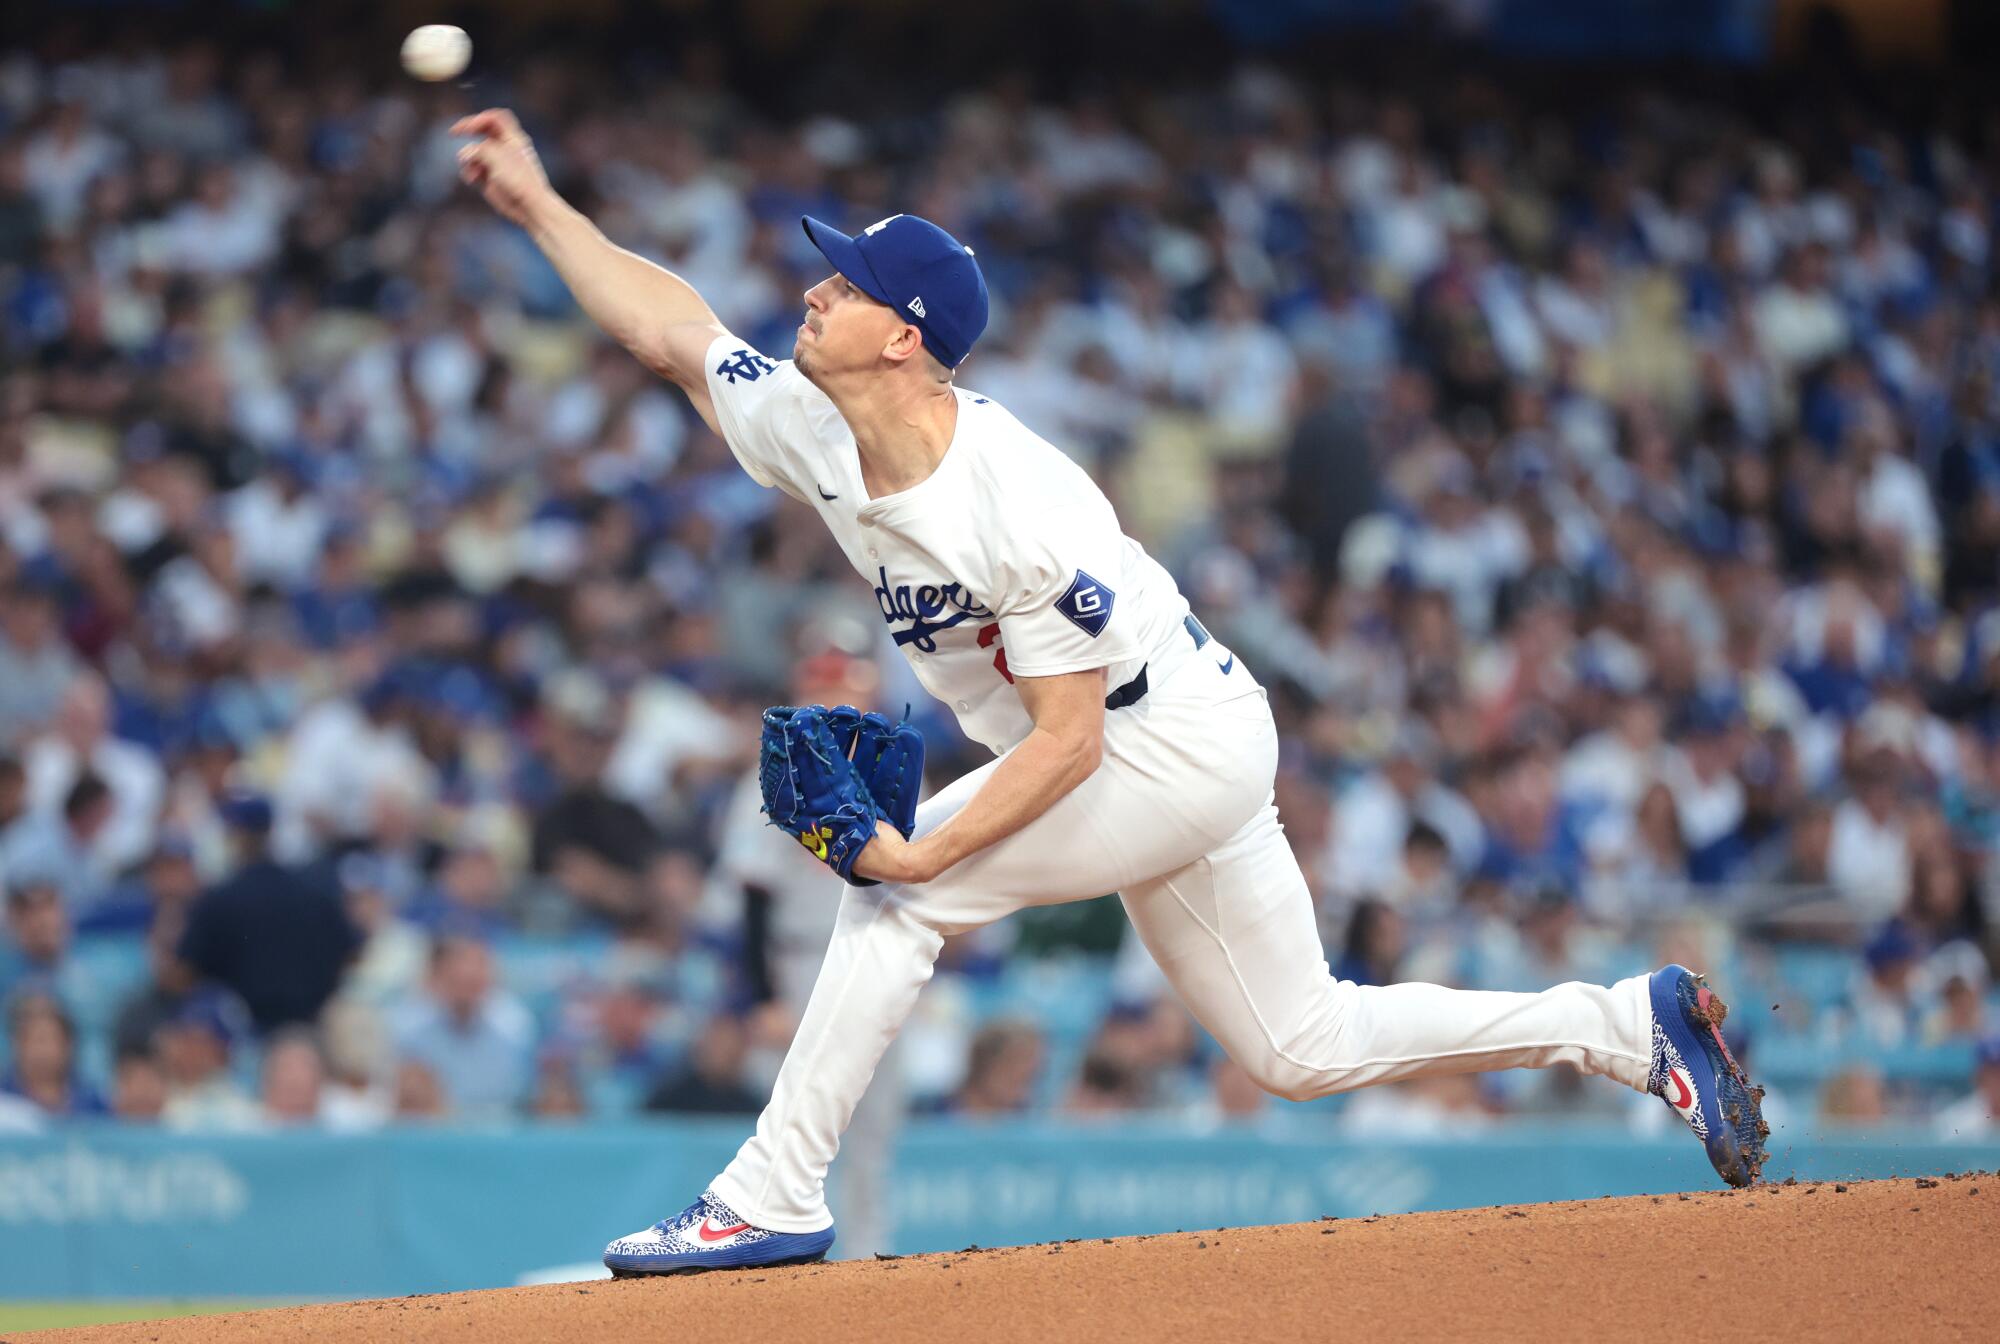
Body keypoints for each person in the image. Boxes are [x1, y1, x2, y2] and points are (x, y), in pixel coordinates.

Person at [451, 107, 1768, 1277]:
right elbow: (671, 334)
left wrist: (922, 852)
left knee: (896, 906)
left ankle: (768, 1197)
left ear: (903, 337)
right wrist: (543, 205)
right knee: (1297, 1047)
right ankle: (1623, 1026)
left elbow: (1069, 745)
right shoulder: (811, 422)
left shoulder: (1018, 501)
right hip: (1153, 737)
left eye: (840, 281)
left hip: (1162, 742)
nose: (809, 290)